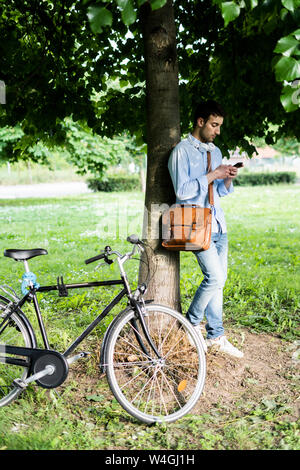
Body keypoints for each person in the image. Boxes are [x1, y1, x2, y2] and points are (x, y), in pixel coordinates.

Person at [168, 100, 244, 358]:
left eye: (220, 126)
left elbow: (220, 191)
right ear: (200, 122)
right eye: (214, 125)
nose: (217, 131)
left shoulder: (216, 151)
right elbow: (182, 192)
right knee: (215, 278)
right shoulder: (181, 151)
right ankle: (190, 323)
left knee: (218, 283)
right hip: (195, 224)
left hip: (219, 223)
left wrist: (228, 178)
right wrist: (213, 174)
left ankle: (216, 336)